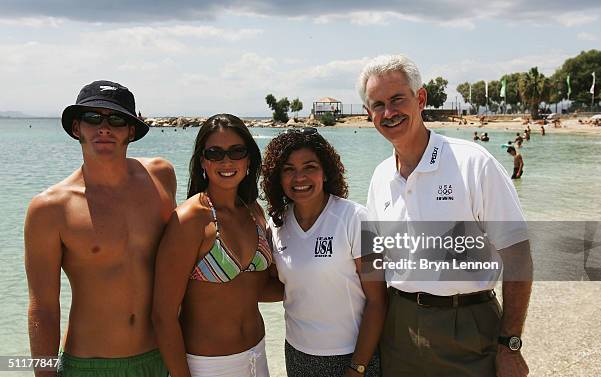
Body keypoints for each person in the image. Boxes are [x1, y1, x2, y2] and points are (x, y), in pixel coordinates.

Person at [357, 55, 532, 377]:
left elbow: (518, 255)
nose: (389, 112)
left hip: (468, 324)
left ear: (420, 98)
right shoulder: (380, 177)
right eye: (378, 105)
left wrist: (510, 343)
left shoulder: (473, 163)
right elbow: (375, 264)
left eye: (397, 99)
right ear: (369, 114)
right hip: (398, 327)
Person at [24, 80, 177, 377]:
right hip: (90, 364)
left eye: (116, 119)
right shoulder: (50, 208)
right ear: (77, 128)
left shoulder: (161, 176)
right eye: (93, 118)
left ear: (131, 131)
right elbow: (43, 307)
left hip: (162, 357)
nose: (104, 128)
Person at [260, 128, 387, 377]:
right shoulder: (276, 226)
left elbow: (378, 300)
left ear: (326, 172)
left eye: (310, 167)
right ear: (278, 177)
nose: (300, 178)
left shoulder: (359, 219)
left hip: (352, 356)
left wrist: (358, 367)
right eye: (288, 169)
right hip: (297, 353)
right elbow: (283, 286)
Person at [152, 114, 271, 377]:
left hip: (257, 356)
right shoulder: (190, 220)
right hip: (207, 365)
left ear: (249, 158)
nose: (227, 161)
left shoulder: (254, 212)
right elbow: (163, 316)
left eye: (236, 151)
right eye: (215, 153)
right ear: (203, 161)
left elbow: (260, 288)